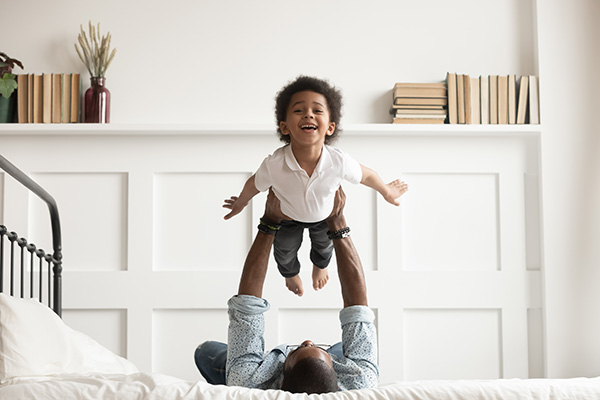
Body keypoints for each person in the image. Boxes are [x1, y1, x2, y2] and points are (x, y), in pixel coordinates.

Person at [223, 76, 408, 296]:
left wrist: (386, 191)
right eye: (299, 111)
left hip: (324, 218)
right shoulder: (274, 164)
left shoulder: (338, 161)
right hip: (287, 219)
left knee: (324, 248)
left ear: (330, 127)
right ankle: (290, 274)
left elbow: (367, 175)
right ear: (284, 127)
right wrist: (241, 202)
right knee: (284, 252)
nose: (308, 114)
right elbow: (254, 184)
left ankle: (320, 267)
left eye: (317, 111)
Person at [196, 187, 378, 394]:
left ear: (281, 384)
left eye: (298, 348)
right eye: (314, 346)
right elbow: (357, 309)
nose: (306, 340)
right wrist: (338, 222)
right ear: (338, 382)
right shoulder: (360, 381)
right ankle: (320, 354)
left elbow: (248, 306)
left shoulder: (249, 383)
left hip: (259, 372)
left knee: (205, 352)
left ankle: (252, 364)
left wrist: (269, 222)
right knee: (347, 345)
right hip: (328, 367)